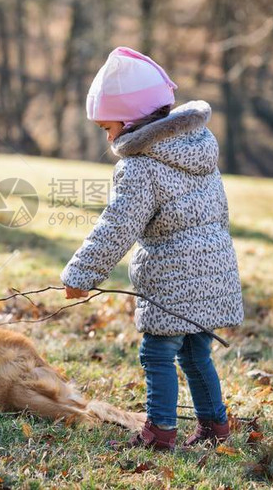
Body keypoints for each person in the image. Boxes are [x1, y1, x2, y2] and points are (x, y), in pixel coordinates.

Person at [61, 46, 244, 451]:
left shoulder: (140, 165)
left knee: (157, 354)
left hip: (173, 276)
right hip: (213, 270)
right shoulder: (197, 147)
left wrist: (81, 275)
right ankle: (215, 428)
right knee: (197, 353)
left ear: (130, 121)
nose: (108, 138)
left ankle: (159, 432)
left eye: (108, 127)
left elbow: (117, 226)